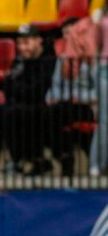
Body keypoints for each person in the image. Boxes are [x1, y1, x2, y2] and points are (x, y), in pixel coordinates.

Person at [0, 24, 54, 175]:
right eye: (19, 43)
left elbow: (37, 90)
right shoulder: (19, 60)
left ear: (38, 41)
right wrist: (19, 89)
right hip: (18, 104)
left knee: (11, 113)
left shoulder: (48, 60)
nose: (21, 47)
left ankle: (17, 160)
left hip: (41, 107)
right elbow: (7, 85)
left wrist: (18, 89)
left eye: (26, 43)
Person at [46, 17, 97, 177]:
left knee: (57, 114)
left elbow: (98, 92)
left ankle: (64, 158)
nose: (68, 37)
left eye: (71, 33)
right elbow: (54, 87)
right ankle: (64, 156)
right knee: (49, 114)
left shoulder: (93, 58)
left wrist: (77, 97)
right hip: (66, 106)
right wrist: (52, 97)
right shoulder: (63, 59)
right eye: (65, 34)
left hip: (88, 106)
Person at [93, 0, 108, 177]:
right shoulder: (100, 15)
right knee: (104, 121)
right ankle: (97, 165)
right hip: (105, 70)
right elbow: (95, 44)